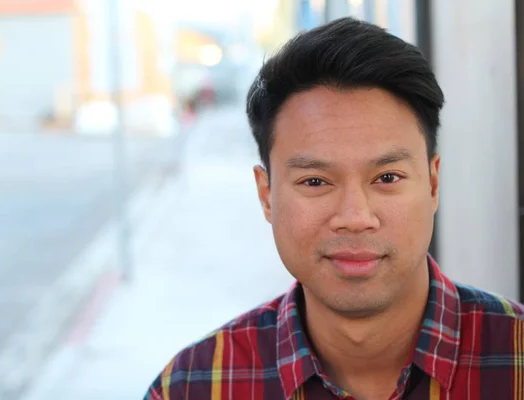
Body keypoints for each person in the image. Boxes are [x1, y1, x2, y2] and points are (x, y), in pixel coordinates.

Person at [144, 17, 524, 399]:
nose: (355, 218)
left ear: (433, 184)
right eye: (315, 182)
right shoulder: (194, 386)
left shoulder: (515, 356)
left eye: (387, 178)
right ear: (266, 195)